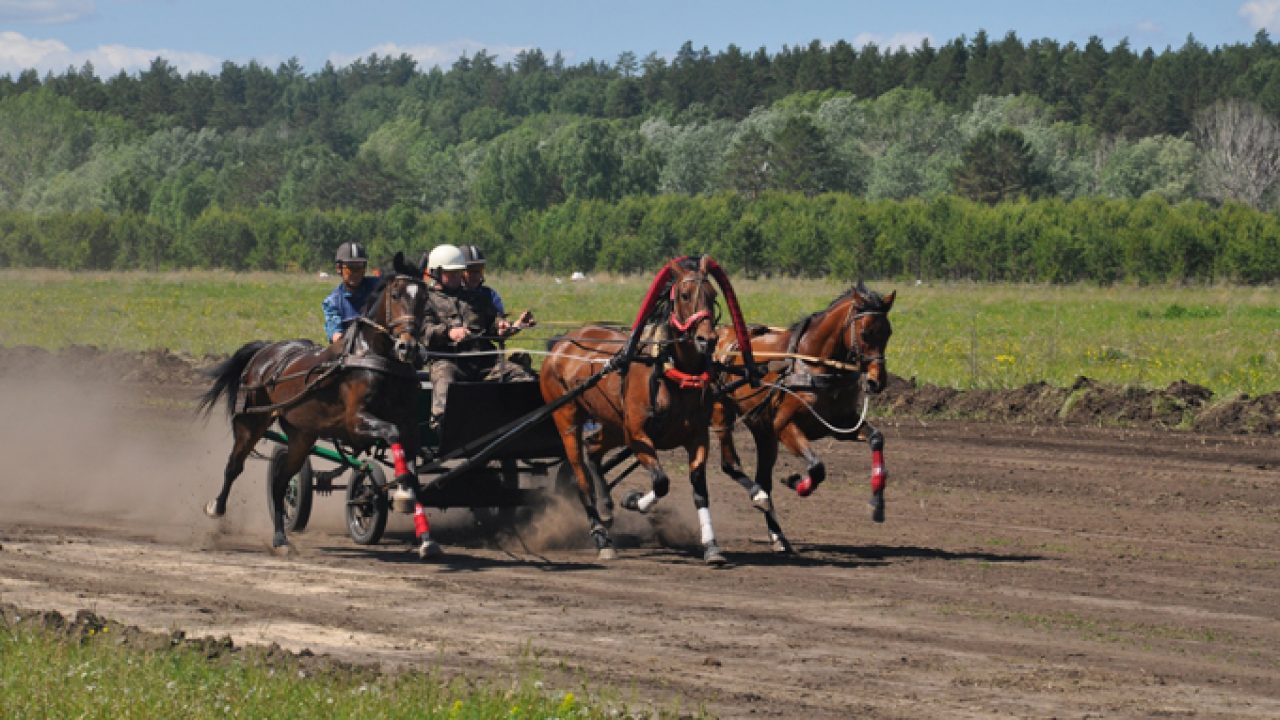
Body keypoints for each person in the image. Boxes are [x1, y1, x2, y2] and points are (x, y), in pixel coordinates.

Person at [420, 243, 533, 430]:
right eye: (451, 273)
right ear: (435, 272)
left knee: (522, 378)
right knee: (444, 380)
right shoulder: (426, 300)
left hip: (485, 362)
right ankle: (441, 426)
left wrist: (502, 327)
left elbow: (493, 323)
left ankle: (517, 427)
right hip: (449, 362)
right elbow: (425, 331)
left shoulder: (477, 298)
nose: (457, 277)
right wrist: (448, 333)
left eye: (459, 272)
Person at [321, 241, 379, 345]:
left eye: (359, 267)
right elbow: (335, 332)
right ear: (339, 269)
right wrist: (338, 337)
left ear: (365, 268)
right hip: (351, 351)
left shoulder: (378, 287)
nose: (355, 273)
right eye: (350, 268)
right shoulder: (332, 302)